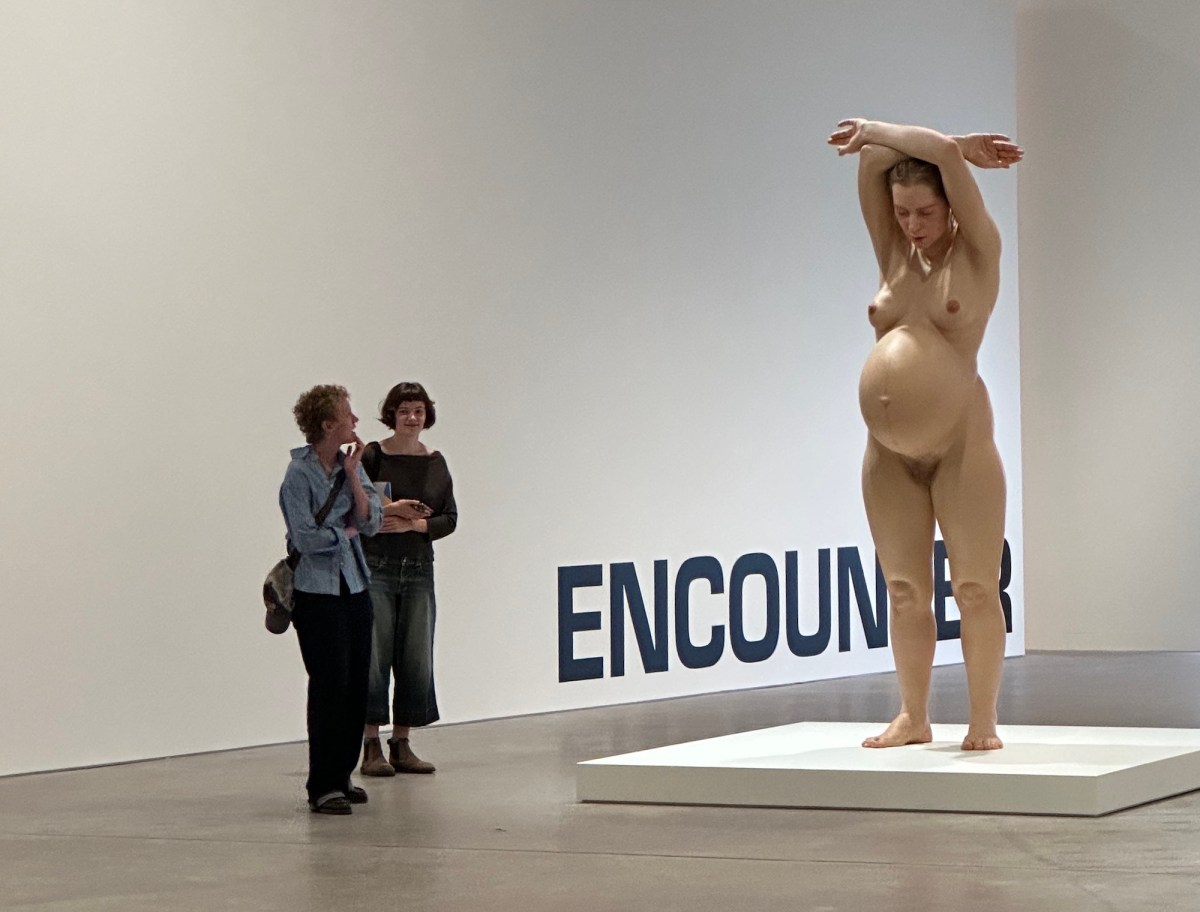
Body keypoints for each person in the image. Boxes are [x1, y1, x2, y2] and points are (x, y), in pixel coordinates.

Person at [827, 119, 1023, 751]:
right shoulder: (893, 254)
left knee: (973, 585)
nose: (911, 223)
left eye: (925, 211)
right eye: (902, 211)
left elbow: (914, 148)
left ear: (953, 206)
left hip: (960, 440)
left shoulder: (979, 250)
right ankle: (913, 715)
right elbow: (874, 159)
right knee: (905, 588)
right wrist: (950, 148)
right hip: (887, 451)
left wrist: (954, 153)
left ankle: (983, 721)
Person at [279, 384, 382, 813]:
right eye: (347, 414)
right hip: (316, 591)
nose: (355, 421)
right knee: (329, 685)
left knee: (357, 684)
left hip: (355, 585)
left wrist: (356, 477)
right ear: (327, 424)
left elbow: (373, 520)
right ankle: (322, 784)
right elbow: (304, 535)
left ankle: (342, 775)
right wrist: (345, 533)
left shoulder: (349, 466)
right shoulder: (298, 475)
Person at [358, 381, 457, 776]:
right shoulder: (373, 455)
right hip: (376, 566)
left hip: (419, 568)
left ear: (426, 415)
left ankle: (402, 742)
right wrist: (386, 516)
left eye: (418, 411)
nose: (412, 418)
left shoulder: (436, 462)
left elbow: (449, 518)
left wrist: (414, 525)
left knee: (416, 655)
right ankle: (370, 746)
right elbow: (357, 501)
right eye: (404, 411)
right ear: (392, 415)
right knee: (374, 656)